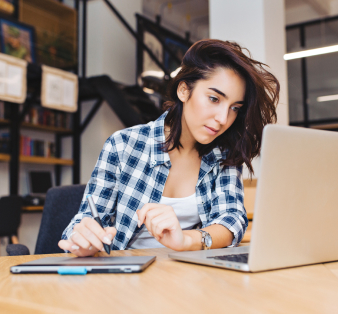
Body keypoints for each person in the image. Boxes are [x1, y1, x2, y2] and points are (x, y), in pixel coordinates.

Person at [59, 39, 279, 257]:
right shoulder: (123, 145)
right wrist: (84, 239)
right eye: (214, 99)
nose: (223, 118)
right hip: (125, 277)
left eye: (234, 108)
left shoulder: (224, 154)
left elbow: (231, 220)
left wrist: (186, 240)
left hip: (190, 275)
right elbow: (83, 221)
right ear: (184, 90)